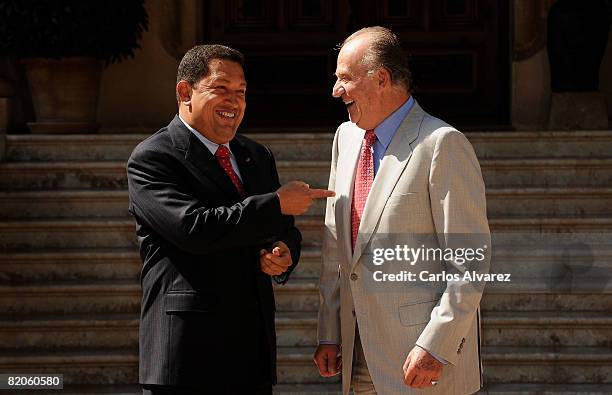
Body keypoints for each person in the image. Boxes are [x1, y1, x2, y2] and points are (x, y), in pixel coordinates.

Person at [127, 44, 334, 395]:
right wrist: (276, 204)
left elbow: (282, 230)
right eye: (220, 89)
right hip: (186, 360)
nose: (234, 102)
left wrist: (283, 252)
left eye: (241, 92)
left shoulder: (255, 155)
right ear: (184, 92)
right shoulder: (153, 157)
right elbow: (193, 228)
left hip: (251, 357)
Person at [314, 27, 491, 394]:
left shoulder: (442, 144)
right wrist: (330, 331)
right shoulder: (345, 138)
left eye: (345, 78)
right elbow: (336, 248)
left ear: (381, 78)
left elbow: (469, 262)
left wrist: (437, 346)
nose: (335, 90)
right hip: (358, 359)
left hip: (423, 364)